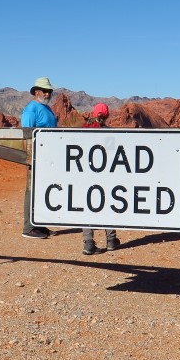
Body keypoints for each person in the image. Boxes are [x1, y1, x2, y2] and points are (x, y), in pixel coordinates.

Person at [20, 77, 58, 239]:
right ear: (37, 92)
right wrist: (30, 155)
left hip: (48, 157)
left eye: (50, 91)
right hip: (36, 156)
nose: (48, 93)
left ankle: (38, 223)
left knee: (41, 189)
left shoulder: (47, 109)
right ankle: (28, 227)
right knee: (31, 188)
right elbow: (27, 133)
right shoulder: (31, 109)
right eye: (45, 91)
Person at [80, 103, 120, 255]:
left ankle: (88, 243)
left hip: (86, 175)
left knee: (87, 205)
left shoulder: (84, 130)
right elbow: (112, 156)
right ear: (107, 115)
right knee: (108, 204)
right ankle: (111, 240)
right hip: (105, 176)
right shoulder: (109, 134)